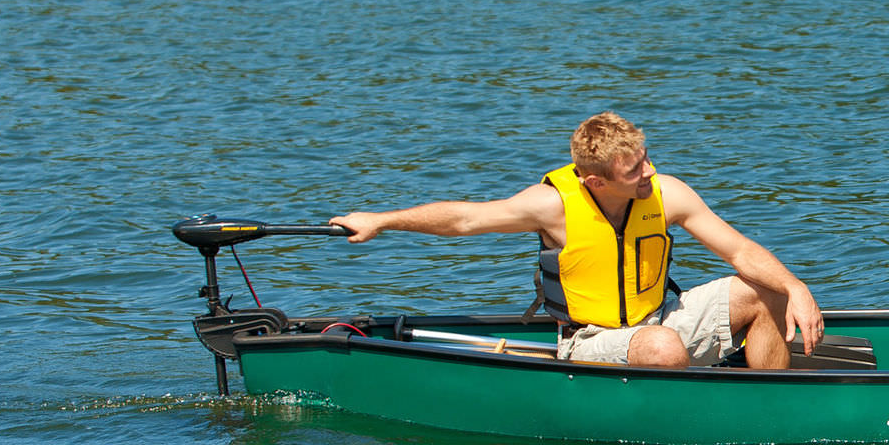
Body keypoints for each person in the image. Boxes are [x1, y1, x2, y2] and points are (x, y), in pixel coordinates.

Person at [329, 112, 824, 369]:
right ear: (596, 181)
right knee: (662, 347)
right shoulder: (553, 206)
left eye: (646, 158)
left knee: (764, 288)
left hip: (660, 320)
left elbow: (740, 250)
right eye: (634, 171)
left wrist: (796, 287)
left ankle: (777, 402)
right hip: (591, 341)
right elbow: (464, 220)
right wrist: (380, 221)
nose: (649, 173)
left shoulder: (666, 192)